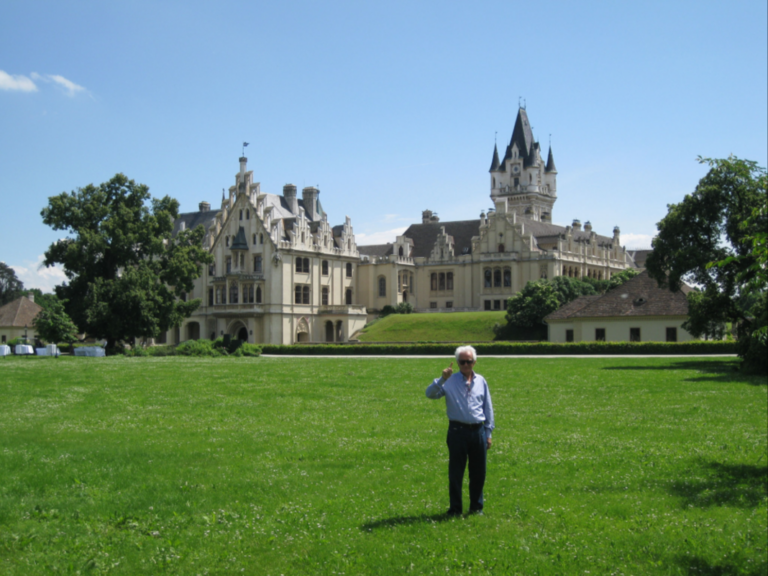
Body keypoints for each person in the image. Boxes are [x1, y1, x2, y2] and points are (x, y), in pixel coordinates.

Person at [426, 345, 494, 516]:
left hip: (478, 431)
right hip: (457, 431)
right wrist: (441, 379)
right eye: (462, 362)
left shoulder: (481, 381)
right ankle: (455, 509)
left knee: (479, 472)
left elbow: (488, 408)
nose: (465, 365)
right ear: (457, 363)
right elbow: (430, 394)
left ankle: (476, 508)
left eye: (469, 361)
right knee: (456, 472)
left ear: (474, 362)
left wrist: (488, 433)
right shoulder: (449, 381)